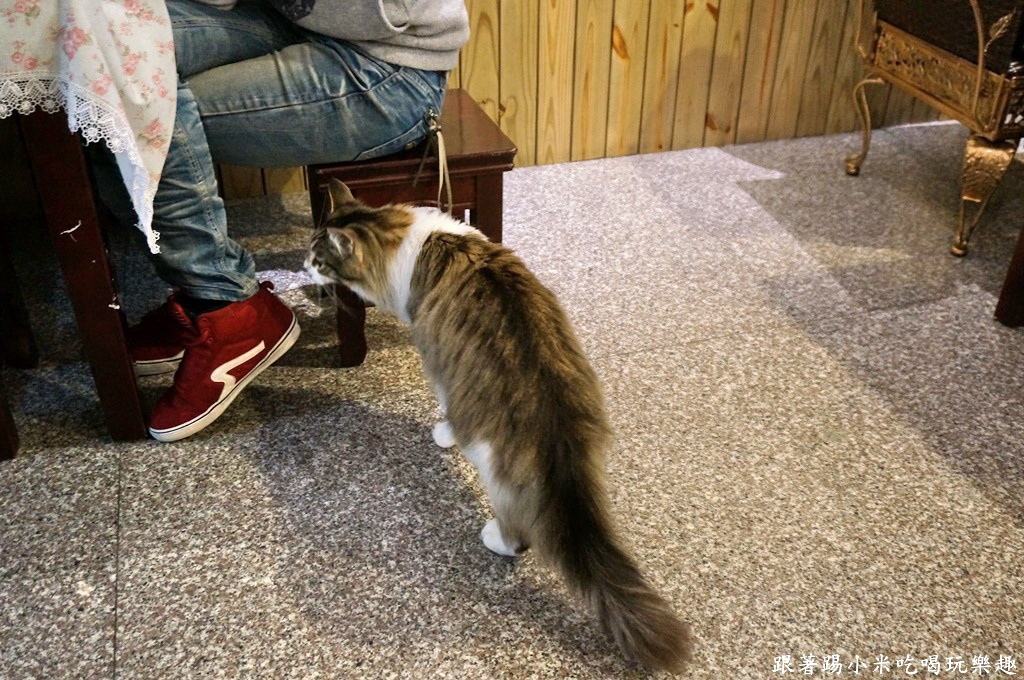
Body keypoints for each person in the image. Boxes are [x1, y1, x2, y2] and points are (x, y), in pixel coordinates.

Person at [97, 0, 470, 443]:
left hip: (390, 59)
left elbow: (388, 11)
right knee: (103, 51)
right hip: (297, 21)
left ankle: (223, 303)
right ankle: (205, 293)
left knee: (138, 102)